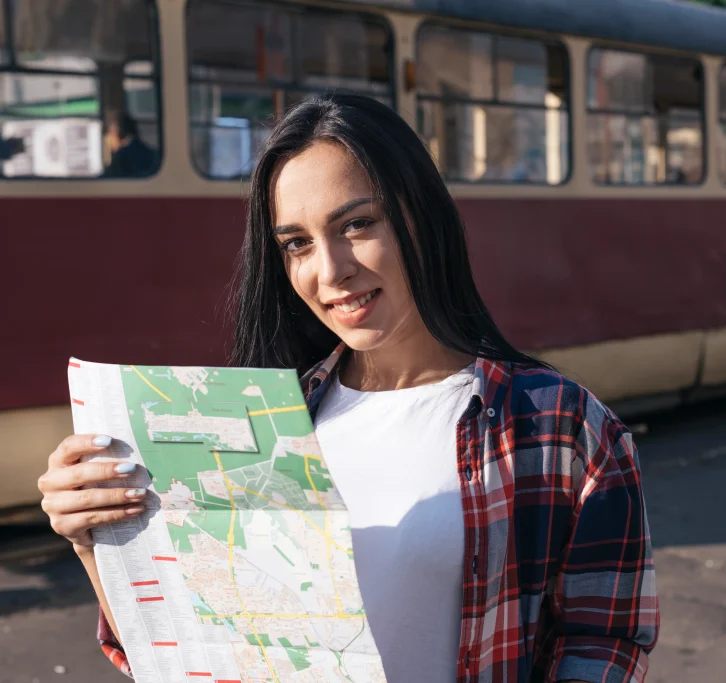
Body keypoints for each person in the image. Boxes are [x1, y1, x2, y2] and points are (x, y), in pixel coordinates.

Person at [37, 93, 659, 682]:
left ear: (422, 218)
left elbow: (606, 637)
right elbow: (188, 653)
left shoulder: (561, 426)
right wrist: (96, 542)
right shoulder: (258, 428)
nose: (331, 270)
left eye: (357, 224)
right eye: (297, 243)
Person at [104, 112, 157, 177]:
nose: (107, 140)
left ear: (117, 133)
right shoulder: (148, 151)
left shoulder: (121, 158)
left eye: (109, 134)